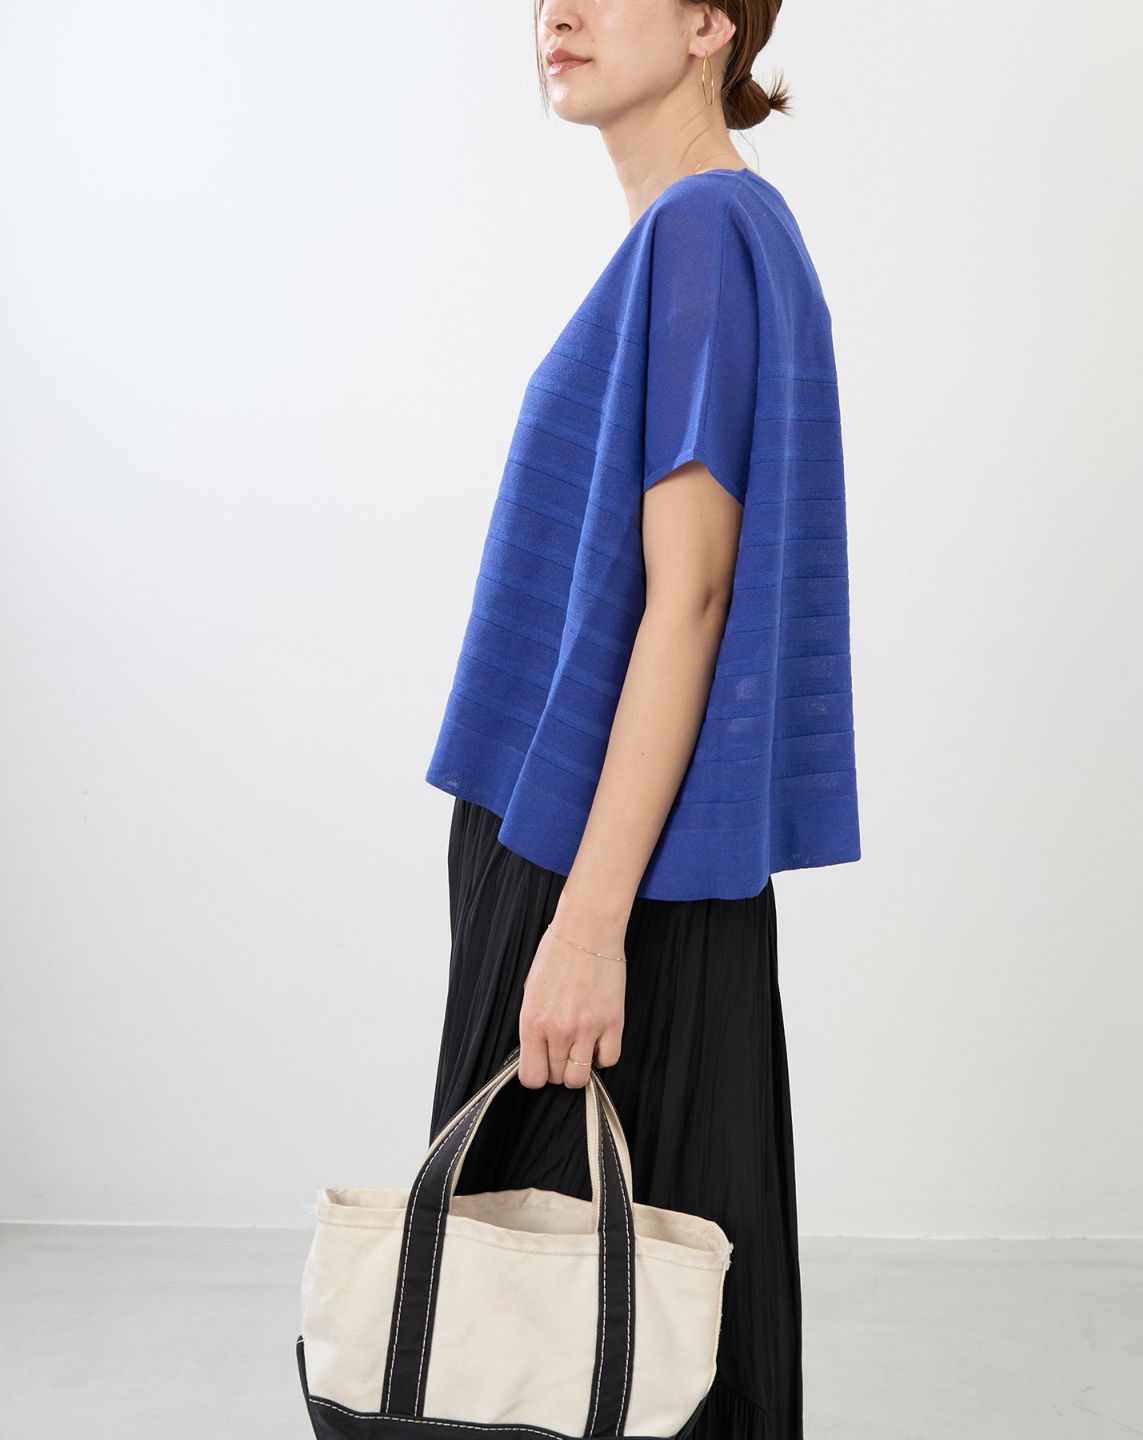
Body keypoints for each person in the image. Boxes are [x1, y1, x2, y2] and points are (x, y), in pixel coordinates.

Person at [422, 2, 861, 1435]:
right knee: (634, 1338)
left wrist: (586, 922)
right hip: (631, 852)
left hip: (595, 858)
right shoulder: (722, 232)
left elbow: (693, 597)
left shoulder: (701, 235)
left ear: (709, 24)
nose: (556, 11)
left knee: (539, 1350)